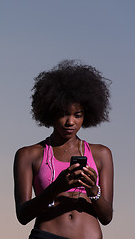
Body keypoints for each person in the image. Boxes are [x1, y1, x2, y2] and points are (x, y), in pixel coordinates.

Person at [13, 60, 114, 239]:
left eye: (77, 115)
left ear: (87, 115)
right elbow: (23, 215)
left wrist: (92, 190)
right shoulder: (29, 155)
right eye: (63, 114)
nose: (70, 122)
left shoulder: (101, 154)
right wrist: (56, 187)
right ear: (49, 112)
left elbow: (107, 217)